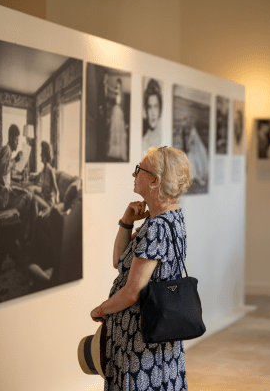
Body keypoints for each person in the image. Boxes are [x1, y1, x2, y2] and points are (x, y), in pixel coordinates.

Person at [90, 146, 191, 391]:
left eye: (139, 170)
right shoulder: (169, 218)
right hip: (156, 335)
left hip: (139, 340)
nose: (133, 175)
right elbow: (119, 261)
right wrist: (126, 222)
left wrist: (102, 309)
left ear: (155, 180)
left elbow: (133, 292)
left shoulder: (156, 227)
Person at [0, 123, 34, 244]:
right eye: (16, 140)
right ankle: (20, 233)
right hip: (3, 199)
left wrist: (15, 186)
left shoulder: (6, 150)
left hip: (3, 193)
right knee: (29, 197)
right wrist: (15, 159)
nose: (17, 143)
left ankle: (19, 231)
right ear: (11, 138)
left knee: (25, 191)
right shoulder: (7, 150)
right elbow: (3, 169)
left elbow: (5, 175)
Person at [29, 141, 59, 215]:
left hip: (49, 203)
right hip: (44, 199)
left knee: (35, 199)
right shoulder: (43, 170)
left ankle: (35, 225)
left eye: (42, 154)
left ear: (45, 156)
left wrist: (56, 206)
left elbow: (57, 191)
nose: (40, 155)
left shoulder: (50, 171)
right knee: (31, 197)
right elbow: (40, 178)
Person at [104, 74, 128, 161]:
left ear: (120, 84)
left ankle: (117, 152)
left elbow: (111, 91)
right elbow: (112, 93)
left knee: (117, 130)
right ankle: (115, 152)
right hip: (117, 110)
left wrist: (107, 85)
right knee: (115, 130)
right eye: (117, 83)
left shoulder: (119, 90)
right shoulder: (119, 91)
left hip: (118, 110)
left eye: (118, 83)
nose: (117, 85)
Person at [142, 79, 162, 151]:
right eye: (150, 107)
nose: (153, 113)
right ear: (146, 111)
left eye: (156, 106)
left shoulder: (164, 135)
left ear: (160, 110)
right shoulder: (143, 142)